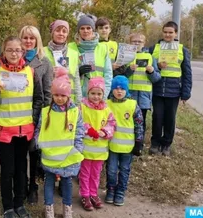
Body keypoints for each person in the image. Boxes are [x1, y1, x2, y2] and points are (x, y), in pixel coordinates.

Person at [0, 36, 43, 218]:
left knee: (20, 169)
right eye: (10, 50)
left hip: (25, 130)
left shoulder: (31, 73)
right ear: (4, 52)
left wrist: (32, 120)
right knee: (7, 170)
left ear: (22, 52)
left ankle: (19, 204)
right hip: (5, 131)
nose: (13, 53)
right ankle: (8, 207)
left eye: (17, 50)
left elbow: (38, 99)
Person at [35, 68, 84, 218]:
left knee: (67, 182)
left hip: (68, 156)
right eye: (56, 95)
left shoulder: (75, 112)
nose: (59, 98)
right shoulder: (46, 112)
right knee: (49, 181)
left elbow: (79, 132)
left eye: (63, 95)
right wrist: (38, 144)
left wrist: (77, 149)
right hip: (50, 156)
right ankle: (49, 208)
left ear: (68, 95)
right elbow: (39, 130)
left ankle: (67, 209)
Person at [19, 26, 53, 204]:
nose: (28, 41)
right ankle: (21, 183)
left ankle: (33, 185)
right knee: (19, 153)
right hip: (16, 115)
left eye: (32, 38)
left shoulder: (44, 62)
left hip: (36, 114)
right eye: (25, 38)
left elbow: (48, 92)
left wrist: (44, 118)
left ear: (37, 40)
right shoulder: (14, 58)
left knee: (33, 152)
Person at [149, 21, 192, 156]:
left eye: (170, 32)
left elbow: (187, 73)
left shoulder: (182, 50)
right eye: (165, 32)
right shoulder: (153, 49)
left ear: (175, 33)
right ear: (162, 32)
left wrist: (186, 93)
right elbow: (147, 66)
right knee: (157, 117)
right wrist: (157, 66)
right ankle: (155, 143)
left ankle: (166, 144)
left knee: (170, 119)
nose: (167, 34)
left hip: (173, 91)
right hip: (157, 88)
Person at [79, 77, 116, 211]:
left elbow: (111, 123)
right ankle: (85, 194)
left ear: (103, 94)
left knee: (96, 173)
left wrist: (105, 132)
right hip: (86, 149)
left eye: (99, 94)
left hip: (100, 150)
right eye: (93, 93)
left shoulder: (106, 109)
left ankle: (93, 194)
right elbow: (78, 122)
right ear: (87, 93)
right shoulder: (82, 107)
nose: (96, 96)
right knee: (85, 173)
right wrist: (88, 129)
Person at [106, 76, 144, 206]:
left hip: (128, 147)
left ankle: (120, 191)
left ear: (126, 90)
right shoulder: (107, 104)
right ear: (112, 90)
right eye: (116, 88)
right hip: (112, 146)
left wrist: (139, 142)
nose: (119, 91)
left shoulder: (133, 105)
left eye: (122, 88)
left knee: (124, 170)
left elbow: (139, 124)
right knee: (111, 170)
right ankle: (110, 190)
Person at [124, 33, 161, 138]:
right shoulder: (126, 56)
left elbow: (157, 78)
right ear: (129, 43)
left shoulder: (150, 57)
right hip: (129, 95)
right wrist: (129, 70)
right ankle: (128, 142)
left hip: (144, 96)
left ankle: (139, 143)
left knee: (141, 121)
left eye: (139, 41)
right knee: (127, 120)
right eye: (134, 41)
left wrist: (152, 72)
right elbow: (122, 76)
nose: (136, 43)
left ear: (144, 43)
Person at [69, 14, 112, 98]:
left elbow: (108, 75)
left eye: (88, 28)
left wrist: (103, 96)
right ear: (78, 31)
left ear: (93, 30)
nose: (85, 31)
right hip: (76, 95)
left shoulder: (103, 48)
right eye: (82, 28)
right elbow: (66, 71)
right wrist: (78, 72)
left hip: (96, 96)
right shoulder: (70, 47)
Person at [44, 20, 82, 104]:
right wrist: (50, 72)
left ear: (67, 34)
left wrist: (79, 102)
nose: (61, 33)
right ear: (52, 33)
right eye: (57, 30)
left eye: (64, 31)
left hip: (69, 100)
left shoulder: (73, 53)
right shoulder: (43, 52)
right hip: (50, 100)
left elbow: (76, 80)